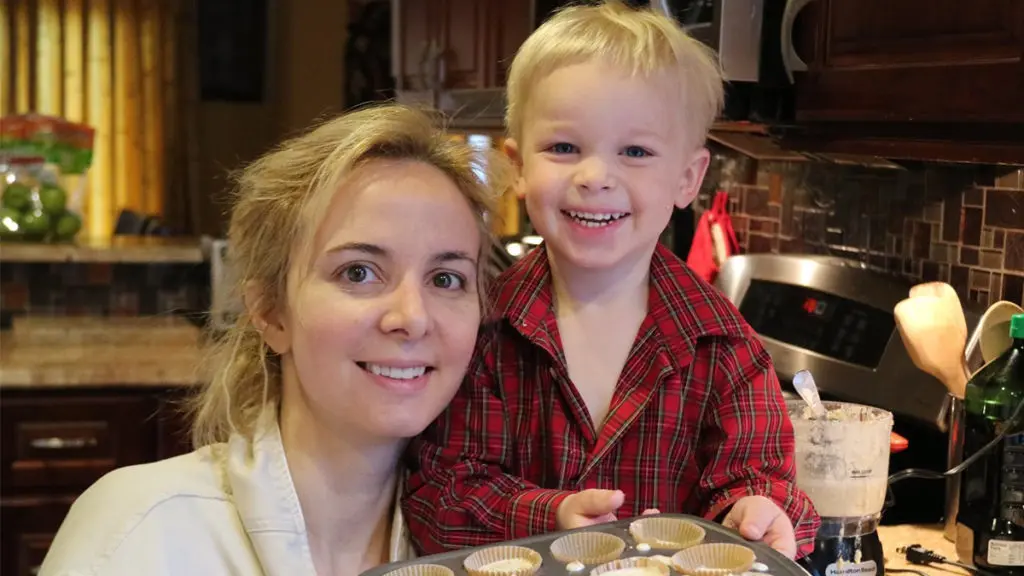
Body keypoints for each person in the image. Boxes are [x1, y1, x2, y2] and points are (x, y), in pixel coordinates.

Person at [402, 0, 820, 560]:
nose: (596, 176)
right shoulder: (478, 329)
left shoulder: (726, 348)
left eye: (636, 151)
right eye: (564, 147)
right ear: (518, 166)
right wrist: (552, 519)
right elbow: (439, 500)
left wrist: (758, 511)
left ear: (687, 177)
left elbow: (759, 481)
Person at [39, 104, 506, 576]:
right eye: (359, 272)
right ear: (270, 312)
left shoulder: (495, 550)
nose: (413, 317)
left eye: (446, 279)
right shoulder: (142, 531)